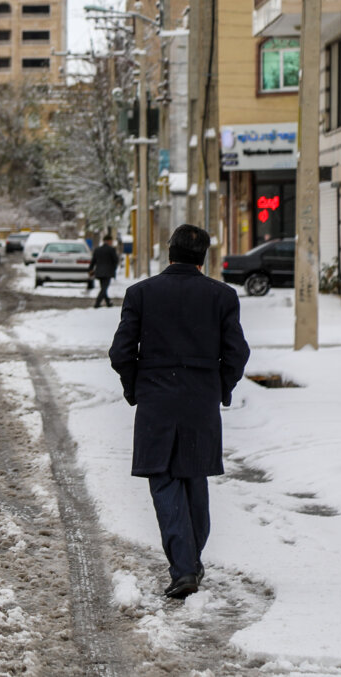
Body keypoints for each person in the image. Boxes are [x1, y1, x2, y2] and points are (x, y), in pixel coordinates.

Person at [107, 224, 250, 599]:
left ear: (168, 251)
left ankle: (185, 568)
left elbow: (121, 352)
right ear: (204, 257)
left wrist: (135, 387)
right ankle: (191, 561)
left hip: (157, 399)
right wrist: (220, 387)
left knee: (164, 480)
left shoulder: (141, 293)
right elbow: (237, 353)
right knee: (194, 478)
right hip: (200, 401)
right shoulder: (221, 296)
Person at [89, 235, 119, 308]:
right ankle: (97, 303)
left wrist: (90, 269)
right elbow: (115, 260)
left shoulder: (97, 249)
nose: (111, 242)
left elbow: (93, 261)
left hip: (99, 272)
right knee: (104, 288)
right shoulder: (111, 249)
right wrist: (114, 269)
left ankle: (108, 302)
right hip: (108, 272)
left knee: (103, 287)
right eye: (111, 241)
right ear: (109, 241)